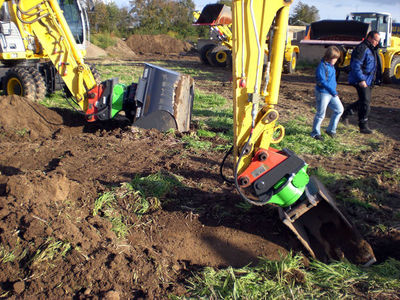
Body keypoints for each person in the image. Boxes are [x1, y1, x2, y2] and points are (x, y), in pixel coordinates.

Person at [341, 31, 381, 134]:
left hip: (368, 80)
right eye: (376, 40)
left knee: (363, 101)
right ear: (370, 38)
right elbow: (356, 65)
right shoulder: (362, 48)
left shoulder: (372, 49)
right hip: (361, 80)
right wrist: (361, 80)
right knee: (365, 102)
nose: (377, 43)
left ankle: (346, 113)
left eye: (378, 41)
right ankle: (363, 126)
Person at [311, 46, 344, 140]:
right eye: (335, 58)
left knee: (339, 109)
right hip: (323, 93)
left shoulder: (331, 66)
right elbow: (322, 81)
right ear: (329, 57)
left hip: (331, 93)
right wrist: (333, 91)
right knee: (320, 114)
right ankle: (315, 133)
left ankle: (331, 130)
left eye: (337, 58)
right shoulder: (322, 66)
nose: (336, 60)